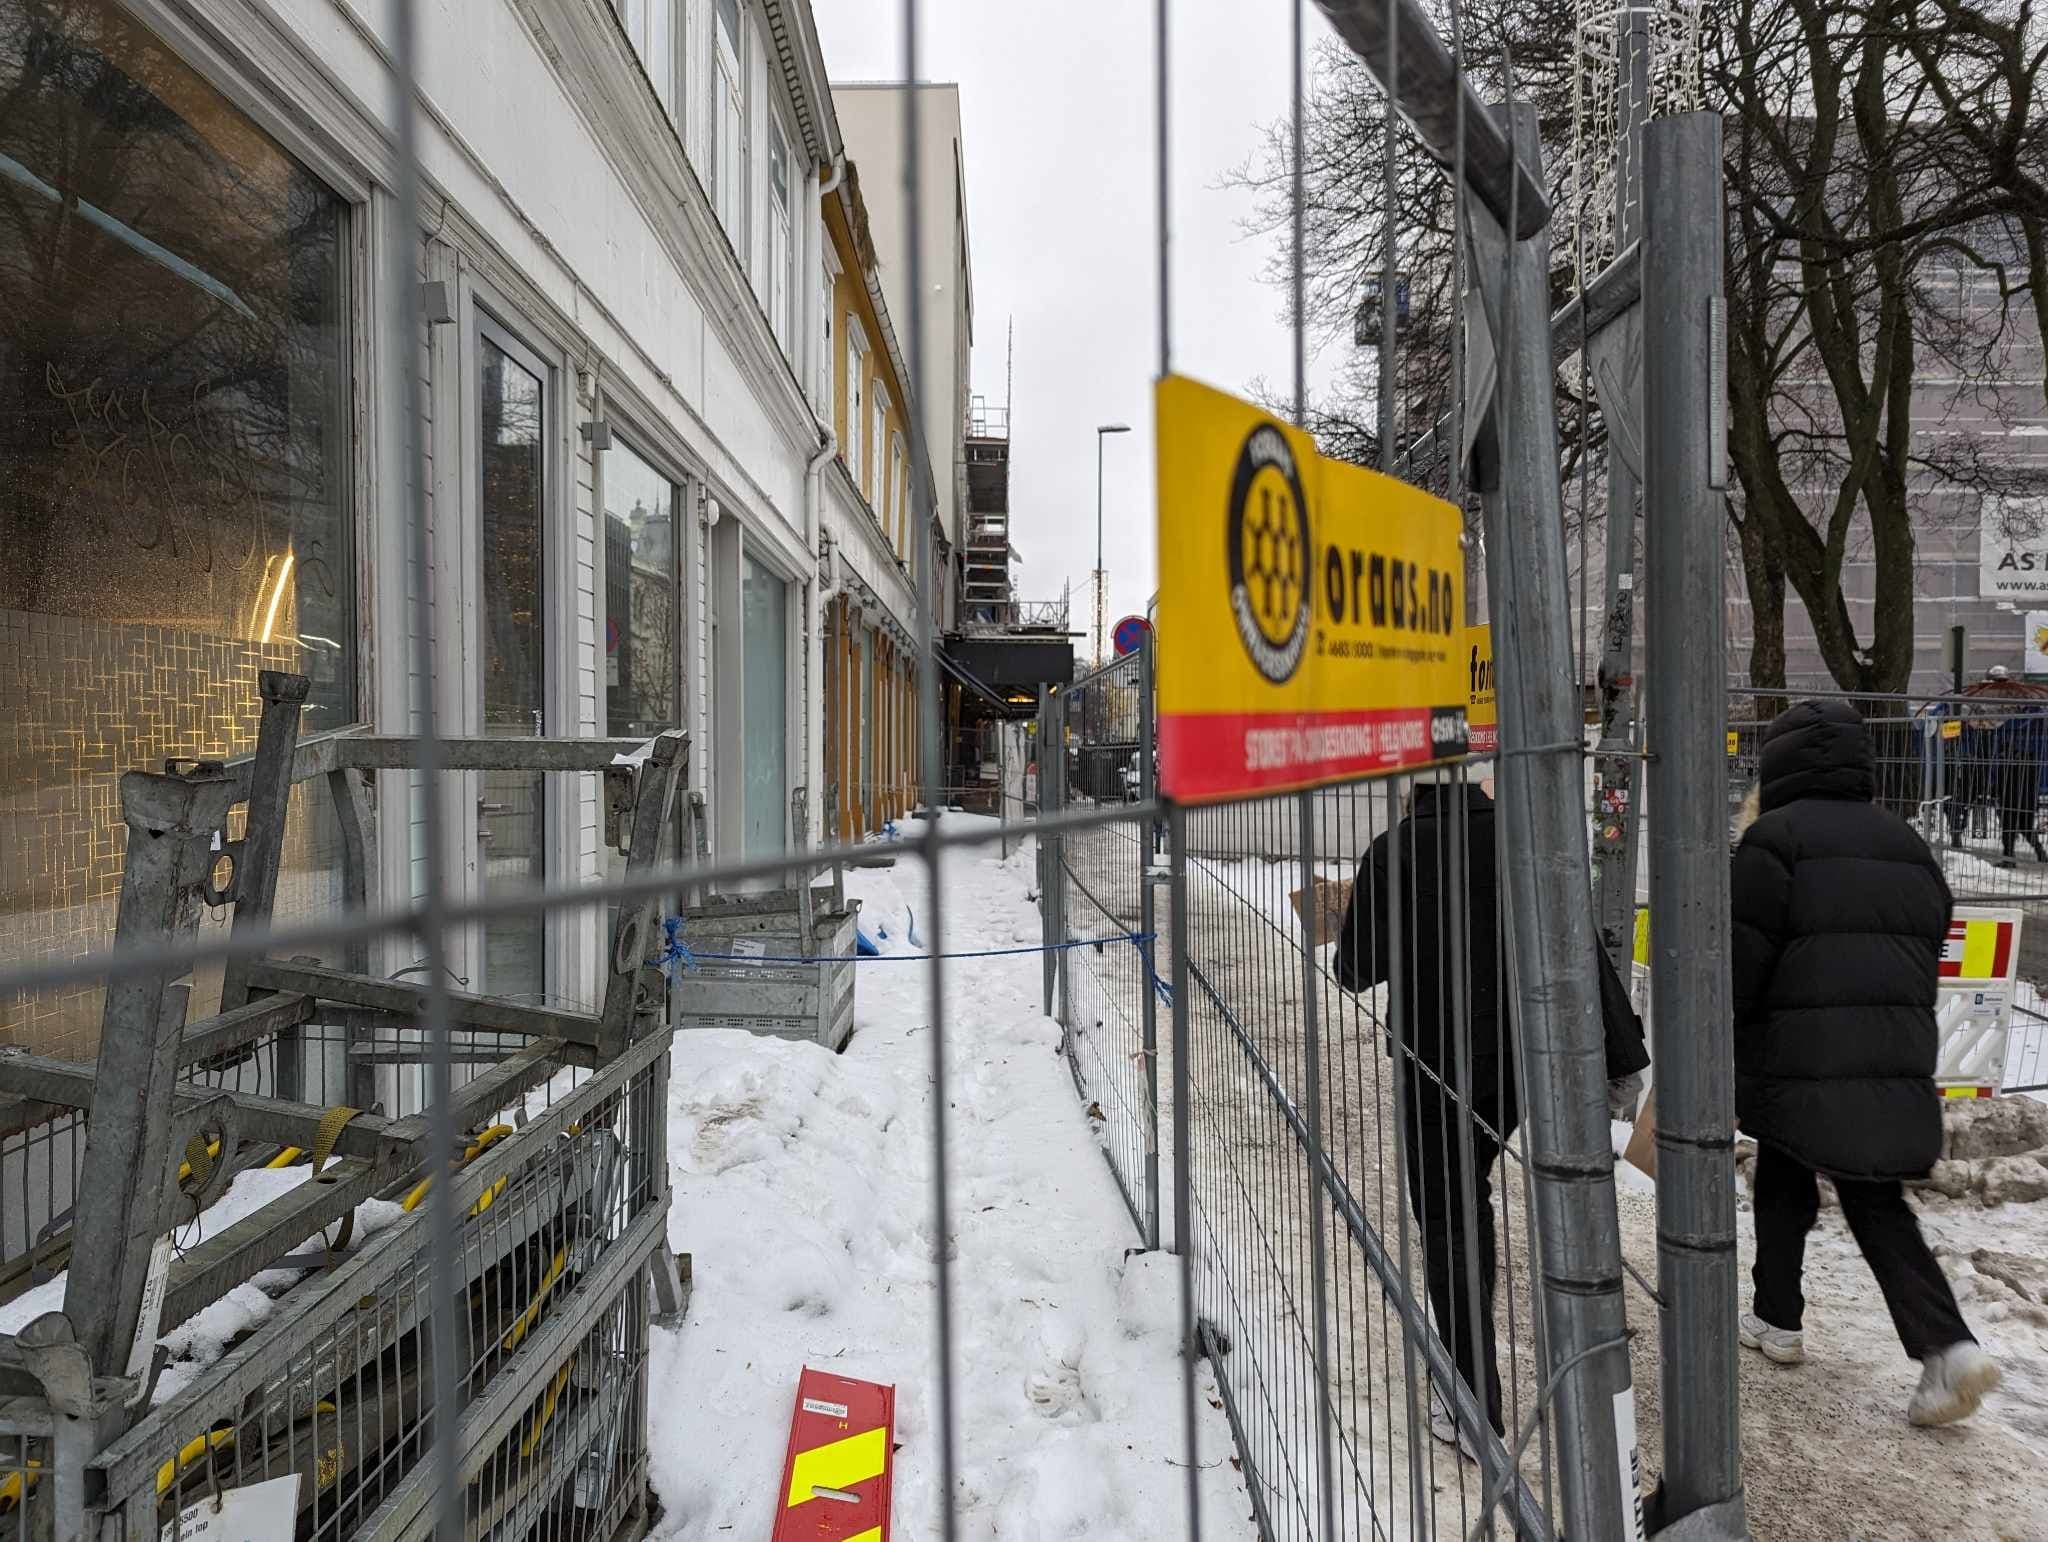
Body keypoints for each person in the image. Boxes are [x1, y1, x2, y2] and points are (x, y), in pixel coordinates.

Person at [1333, 772, 1650, 1458]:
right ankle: (1575, 1385)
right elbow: (1577, 944)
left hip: (1434, 1063)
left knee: (1450, 1215)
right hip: (1521, 1061)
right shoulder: (1525, 842)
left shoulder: (1395, 850)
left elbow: (1354, 969)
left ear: (1413, 786)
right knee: (1487, 1198)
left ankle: (1472, 1401)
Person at [1732, 699, 2000, 1425]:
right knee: (1806, 1174)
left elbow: (1743, 960)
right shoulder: (1905, 842)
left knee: (1843, 1188)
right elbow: (1931, 935)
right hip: (1892, 1048)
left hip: (1799, 1051)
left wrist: (1729, 1034)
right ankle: (1778, 1315)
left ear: (1778, 765)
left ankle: (1944, 1347)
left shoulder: (1773, 840)